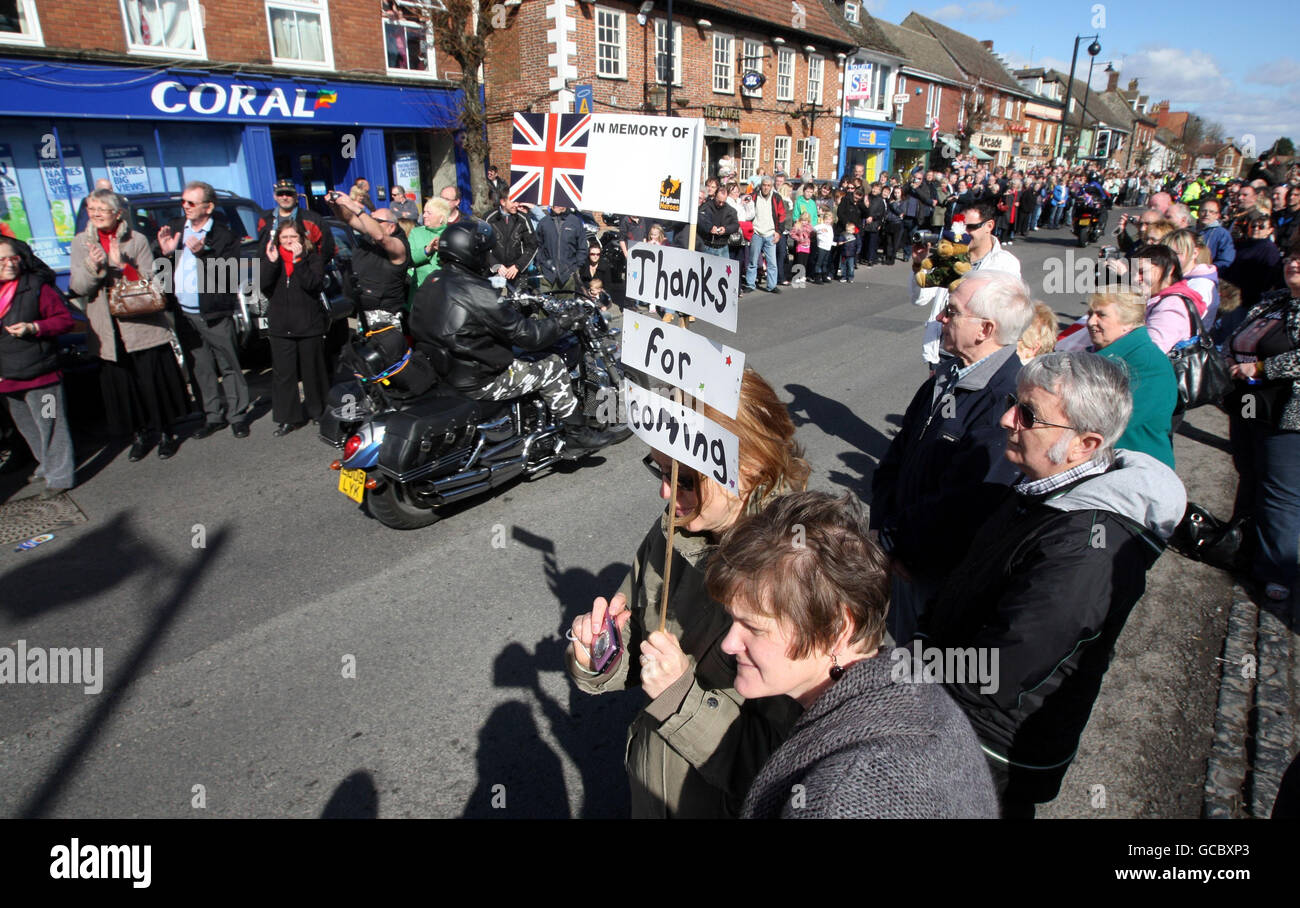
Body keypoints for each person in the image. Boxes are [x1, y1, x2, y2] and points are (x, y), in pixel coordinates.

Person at [918, 352, 1186, 816]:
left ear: (1085, 444)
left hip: (989, 749)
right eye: (1011, 403)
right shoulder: (1042, 490)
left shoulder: (1086, 548)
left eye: (1028, 415)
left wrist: (908, 682)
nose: (1006, 419)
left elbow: (1001, 670)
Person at [566, 369, 810, 818]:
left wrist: (682, 699)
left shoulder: (796, 573)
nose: (665, 491)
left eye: (685, 478)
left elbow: (785, 764)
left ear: (747, 468)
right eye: (659, 470)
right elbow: (638, 637)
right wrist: (600, 653)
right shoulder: (675, 530)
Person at [705, 490, 999, 819]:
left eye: (753, 628)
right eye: (732, 620)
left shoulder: (840, 799)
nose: (729, 644)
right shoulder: (917, 695)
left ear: (836, 628)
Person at [872, 271, 1036, 645]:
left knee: (919, 665)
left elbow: (964, 506)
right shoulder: (946, 377)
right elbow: (896, 456)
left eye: (952, 311)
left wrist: (898, 543)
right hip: (902, 556)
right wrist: (882, 526)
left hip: (933, 574)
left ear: (984, 329)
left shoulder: (1005, 401)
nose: (940, 318)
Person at [409, 220, 618, 455]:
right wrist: (564, 321)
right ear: (472, 254)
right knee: (553, 365)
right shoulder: (478, 290)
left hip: (444, 369)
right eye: (485, 252)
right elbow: (531, 336)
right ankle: (576, 434)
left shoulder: (433, 280)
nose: (487, 256)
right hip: (479, 378)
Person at [71, 189, 188, 461]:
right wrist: (93, 266)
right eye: (92, 208)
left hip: (140, 323)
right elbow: (77, 286)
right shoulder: (80, 242)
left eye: (102, 208)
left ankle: (165, 433)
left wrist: (123, 266)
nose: (96, 214)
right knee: (124, 387)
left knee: (152, 382)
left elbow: (153, 282)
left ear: (117, 213)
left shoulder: (137, 240)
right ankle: (138, 435)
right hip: (106, 329)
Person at [1224, 246, 1300, 602]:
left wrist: (1263, 368)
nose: (1293, 263)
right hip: (1250, 402)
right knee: (1249, 472)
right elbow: (1236, 335)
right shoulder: (1274, 301)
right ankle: (1241, 547)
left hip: (1288, 413)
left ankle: (1277, 572)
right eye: (1292, 258)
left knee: (1280, 490)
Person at [156, 180, 250, 440]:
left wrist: (204, 254)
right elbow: (162, 270)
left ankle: (238, 415)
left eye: (191, 202)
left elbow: (227, 276)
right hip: (184, 313)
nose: (185, 206)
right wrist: (166, 253)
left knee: (228, 364)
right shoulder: (176, 229)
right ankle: (212, 415)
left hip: (214, 312)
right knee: (201, 366)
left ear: (208, 207)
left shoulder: (224, 235)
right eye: (183, 202)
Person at [0, 238, 77, 497]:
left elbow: (65, 321)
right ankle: (47, 465)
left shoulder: (36, 287)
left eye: (13, 258)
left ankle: (60, 476)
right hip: (7, 374)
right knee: (28, 427)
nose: (10, 264)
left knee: (50, 425)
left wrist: (35, 327)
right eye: (2, 260)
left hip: (39, 371)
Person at [911, 200, 1021, 366]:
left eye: (970, 227)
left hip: (977, 354)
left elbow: (1007, 316)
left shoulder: (1005, 264)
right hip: (942, 350)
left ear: (989, 225)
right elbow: (919, 299)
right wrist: (919, 265)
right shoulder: (947, 257)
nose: (964, 233)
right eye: (961, 227)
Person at [1084, 290, 1178, 468]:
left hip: (1138, 470)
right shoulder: (1101, 354)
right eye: (1090, 314)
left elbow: (1112, 421)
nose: (1090, 322)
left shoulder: (1147, 363)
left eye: (1101, 315)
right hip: (1107, 464)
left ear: (1128, 323)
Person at [259, 221, 328, 436]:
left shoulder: (312, 258)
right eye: (284, 238)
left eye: (293, 237)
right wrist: (271, 264)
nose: (289, 242)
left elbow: (313, 285)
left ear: (301, 239)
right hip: (281, 325)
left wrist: (299, 262)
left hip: (308, 323)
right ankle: (288, 418)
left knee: (313, 370)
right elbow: (264, 285)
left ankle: (319, 411)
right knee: (284, 374)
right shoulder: (273, 258)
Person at [327, 189, 410, 330]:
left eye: (376, 221)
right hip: (362, 312)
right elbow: (349, 219)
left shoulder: (399, 244)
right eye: (370, 219)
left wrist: (356, 209)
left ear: (391, 227)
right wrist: (335, 205)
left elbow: (381, 237)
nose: (370, 222)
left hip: (385, 317)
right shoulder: (370, 234)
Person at [1132, 244, 1206, 353]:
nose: (1135, 278)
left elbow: (1149, 353)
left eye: (1142, 271)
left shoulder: (1172, 306)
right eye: (1133, 272)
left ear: (1169, 269)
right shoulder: (1157, 299)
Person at [258, 178, 334, 263]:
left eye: (289, 194)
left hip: (303, 271)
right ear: (275, 196)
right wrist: (254, 274)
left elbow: (328, 248)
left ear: (296, 196)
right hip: (272, 270)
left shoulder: (312, 219)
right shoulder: (263, 219)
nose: (285, 197)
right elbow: (254, 249)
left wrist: (315, 270)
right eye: (280, 194)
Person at [485, 194, 537, 286]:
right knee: (495, 299)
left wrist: (518, 266)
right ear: (503, 202)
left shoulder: (523, 218)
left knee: (520, 299)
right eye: (513, 202)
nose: (516, 205)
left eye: (518, 201)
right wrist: (495, 264)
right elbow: (482, 246)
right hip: (495, 272)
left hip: (517, 272)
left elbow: (532, 245)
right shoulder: (489, 218)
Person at [745, 176, 785, 294]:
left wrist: (779, 232)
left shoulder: (777, 198)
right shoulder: (753, 197)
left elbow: (782, 216)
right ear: (761, 185)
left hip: (770, 234)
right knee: (752, 261)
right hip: (756, 233)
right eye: (764, 185)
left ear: (771, 186)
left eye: (768, 185)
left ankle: (772, 285)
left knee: (772, 262)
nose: (766, 187)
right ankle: (750, 284)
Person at [407, 197, 451, 306]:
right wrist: (426, 250)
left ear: (441, 218)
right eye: (424, 212)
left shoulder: (451, 233)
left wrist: (442, 251)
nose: (424, 215)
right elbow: (409, 259)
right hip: (420, 289)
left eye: (429, 213)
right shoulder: (416, 233)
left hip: (445, 290)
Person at [535, 203, 585, 295]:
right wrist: (540, 265)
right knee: (545, 307)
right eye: (554, 202)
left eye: (558, 202)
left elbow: (582, 247)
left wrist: (575, 267)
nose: (555, 205)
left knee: (566, 308)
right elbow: (537, 246)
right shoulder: (544, 222)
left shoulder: (575, 222)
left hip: (568, 275)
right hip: (547, 274)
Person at [697, 183, 738, 258]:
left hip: (723, 247)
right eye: (719, 201)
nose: (721, 204)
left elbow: (735, 225)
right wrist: (710, 228)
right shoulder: (706, 206)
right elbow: (700, 219)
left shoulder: (731, 210)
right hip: (707, 246)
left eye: (723, 201)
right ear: (715, 196)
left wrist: (726, 229)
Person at [1197, 198, 1236, 270]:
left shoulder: (1222, 234)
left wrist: (1210, 269)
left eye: (1211, 212)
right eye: (1203, 211)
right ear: (1198, 212)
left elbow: (1226, 260)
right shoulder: (1191, 231)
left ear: (1217, 215)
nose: (1206, 214)